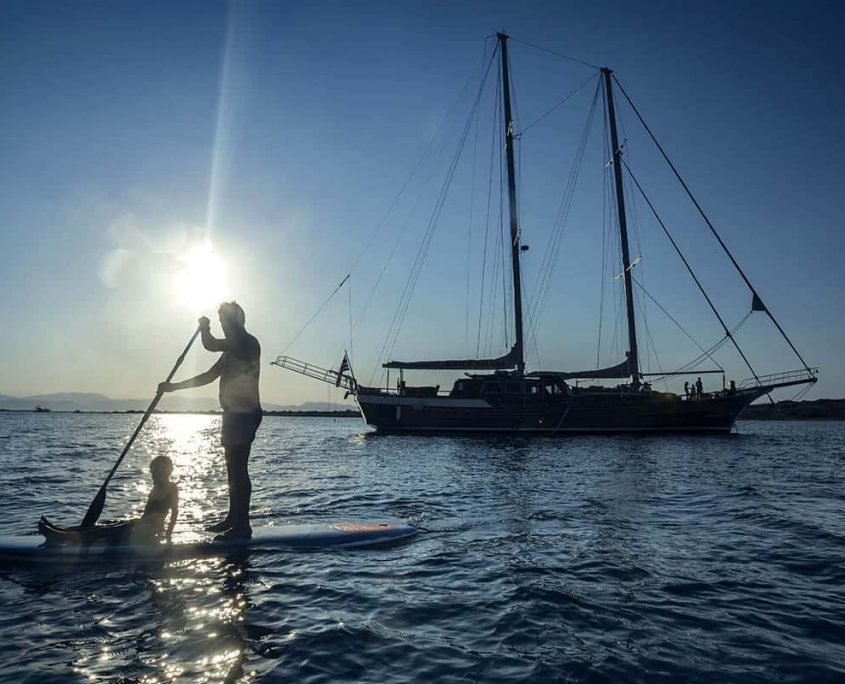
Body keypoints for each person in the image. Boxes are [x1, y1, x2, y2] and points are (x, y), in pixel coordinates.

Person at [159, 302, 261, 540]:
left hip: (245, 413)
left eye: (225, 321)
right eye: (221, 322)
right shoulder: (229, 351)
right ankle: (232, 518)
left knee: (238, 469)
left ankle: (242, 527)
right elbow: (208, 376)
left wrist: (204, 328)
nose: (223, 327)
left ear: (237, 321)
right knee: (230, 469)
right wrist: (174, 388)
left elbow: (210, 344)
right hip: (231, 414)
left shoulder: (247, 343)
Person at [39, 456, 178, 545]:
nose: (152, 475)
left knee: (104, 531)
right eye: (152, 472)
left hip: (150, 531)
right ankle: (60, 530)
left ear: (165, 472)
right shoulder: (155, 487)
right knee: (104, 525)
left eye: (155, 473)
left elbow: (174, 513)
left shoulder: (171, 488)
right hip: (140, 526)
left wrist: (168, 536)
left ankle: (61, 536)